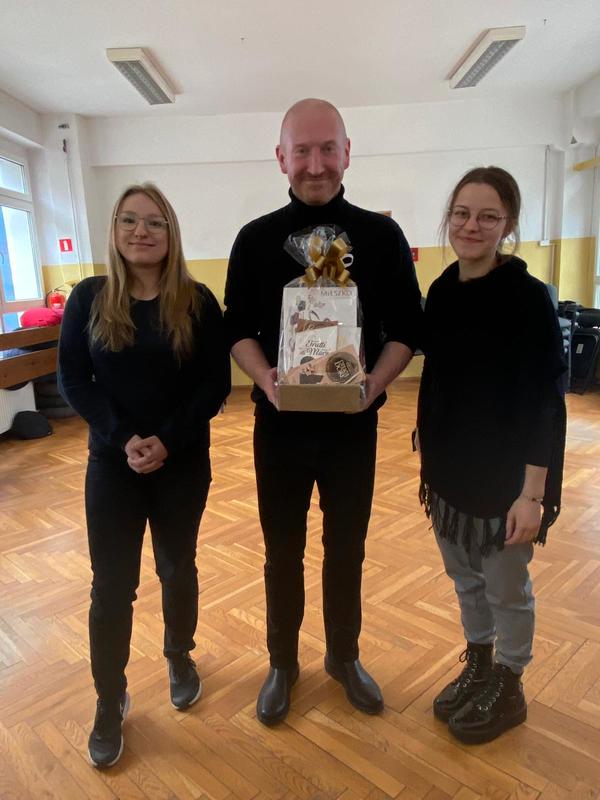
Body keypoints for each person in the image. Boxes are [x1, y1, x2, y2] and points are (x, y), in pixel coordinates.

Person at [224, 98, 422, 725]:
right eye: (302, 151)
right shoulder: (255, 239)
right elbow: (236, 327)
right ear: (281, 157)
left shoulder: (382, 237)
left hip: (352, 429)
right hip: (279, 427)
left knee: (347, 548)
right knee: (281, 551)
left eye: (327, 149)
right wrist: (267, 379)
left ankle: (343, 656)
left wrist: (374, 385)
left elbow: (407, 328)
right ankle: (282, 663)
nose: (316, 164)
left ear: (347, 152)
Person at [58, 183, 230, 767]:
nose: (141, 231)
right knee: (111, 587)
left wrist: (168, 439)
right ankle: (109, 698)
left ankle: (179, 655)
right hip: (113, 464)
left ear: (171, 232)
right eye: (129, 220)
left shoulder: (197, 300)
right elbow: (73, 379)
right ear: (114, 230)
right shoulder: (89, 298)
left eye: (154, 222)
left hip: (182, 461)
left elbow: (214, 383)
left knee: (177, 567)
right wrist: (124, 438)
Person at [417, 166, 566, 744]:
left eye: (487, 216)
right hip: (450, 475)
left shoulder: (527, 298)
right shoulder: (442, 290)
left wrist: (533, 494)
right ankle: (479, 662)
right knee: (465, 579)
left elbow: (544, 402)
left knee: (506, 588)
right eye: (462, 213)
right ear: (448, 218)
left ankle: (509, 680)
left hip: (507, 480)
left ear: (508, 224)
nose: (471, 226)